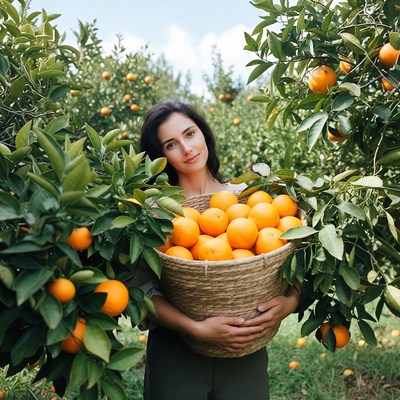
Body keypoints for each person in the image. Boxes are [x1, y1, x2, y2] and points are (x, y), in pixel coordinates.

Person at [138, 99, 302, 400]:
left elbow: (296, 261)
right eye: (171, 144)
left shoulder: (247, 200)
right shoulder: (155, 212)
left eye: (190, 134)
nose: (187, 149)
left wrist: (290, 302)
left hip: (245, 348)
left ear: (203, 134)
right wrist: (193, 328)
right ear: (159, 156)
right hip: (176, 352)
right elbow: (141, 288)